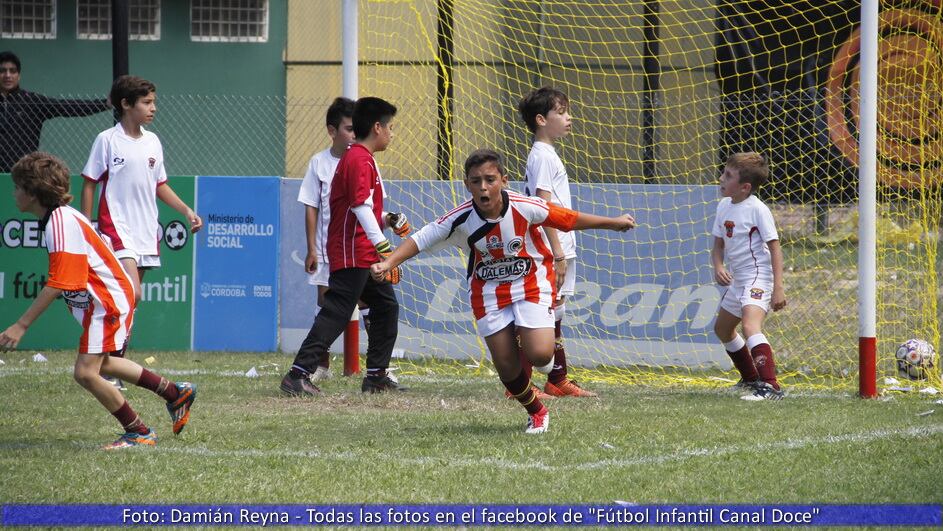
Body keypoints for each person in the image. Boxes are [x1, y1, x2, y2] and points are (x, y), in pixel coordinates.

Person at [371, 149, 635, 433]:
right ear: (467, 184)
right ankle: (536, 411)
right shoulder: (460, 218)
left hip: (531, 283)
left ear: (504, 181)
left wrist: (613, 222)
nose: (483, 187)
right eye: (475, 181)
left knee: (541, 355)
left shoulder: (526, 206)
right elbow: (421, 239)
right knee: (507, 369)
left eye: (490, 179)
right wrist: (388, 262)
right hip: (488, 293)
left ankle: (530, 337)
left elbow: (567, 219)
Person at [0, 152, 196, 449]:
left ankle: (139, 432)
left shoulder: (59, 221)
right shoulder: (58, 218)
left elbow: (59, 282)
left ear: (32, 191)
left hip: (107, 301)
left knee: (85, 372)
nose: (14, 192)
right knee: (104, 364)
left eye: (17, 187)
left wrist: (21, 325)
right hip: (110, 298)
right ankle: (174, 393)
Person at [281, 96, 408, 396]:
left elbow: (366, 207)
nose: (392, 133)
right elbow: (360, 206)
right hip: (352, 250)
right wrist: (385, 248)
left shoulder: (361, 159)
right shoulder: (359, 159)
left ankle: (376, 375)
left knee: (385, 307)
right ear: (377, 127)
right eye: (390, 127)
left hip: (360, 250)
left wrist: (387, 222)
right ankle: (298, 374)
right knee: (336, 311)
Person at [80, 75, 202, 304]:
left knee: (130, 301)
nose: (153, 108)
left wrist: (187, 211)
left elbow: (159, 185)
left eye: (153, 102)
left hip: (146, 229)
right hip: (116, 226)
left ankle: (116, 339)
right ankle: (106, 336)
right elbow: (89, 184)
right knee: (132, 292)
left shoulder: (153, 141)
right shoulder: (107, 140)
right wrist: (86, 228)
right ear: (126, 104)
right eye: (146, 102)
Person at [517, 86, 595, 398]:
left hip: (559, 245)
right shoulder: (541, 157)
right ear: (540, 119)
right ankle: (519, 385)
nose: (568, 118)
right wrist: (557, 252)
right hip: (549, 248)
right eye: (560, 112)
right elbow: (542, 209)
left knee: (556, 311)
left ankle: (557, 379)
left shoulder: (547, 154)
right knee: (537, 314)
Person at [710, 151, 787, 400]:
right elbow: (718, 246)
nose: (721, 178)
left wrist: (778, 288)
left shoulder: (757, 210)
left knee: (750, 325)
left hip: (758, 276)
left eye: (728, 175)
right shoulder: (723, 206)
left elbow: (775, 247)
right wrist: (719, 266)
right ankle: (750, 378)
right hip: (739, 279)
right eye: (724, 171)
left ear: (744, 187)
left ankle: (770, 385)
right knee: (722, 329)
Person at [0, 51, 110, 172]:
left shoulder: (31, 101)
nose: (7, 75)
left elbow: (67, 107)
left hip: (25, 172)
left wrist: (104, 104)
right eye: (3, 71)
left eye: (12, 71)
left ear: (18, 75)